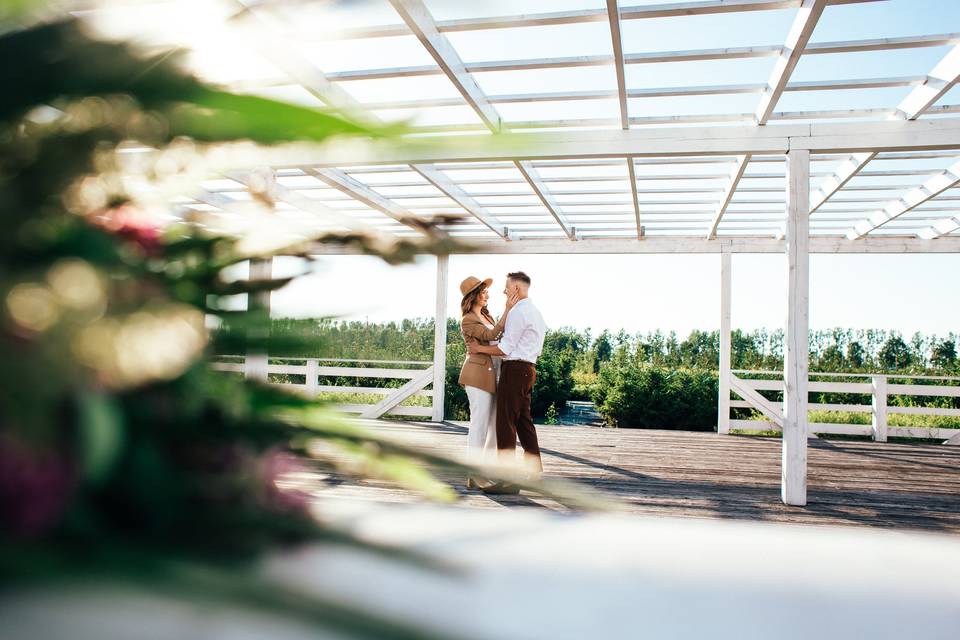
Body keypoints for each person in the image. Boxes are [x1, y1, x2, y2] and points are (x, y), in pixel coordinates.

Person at [467, 271, 546, 495]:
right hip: (528, 368)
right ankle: (534, 472)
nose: (503, 291)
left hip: (515, 370)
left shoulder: (518, 313)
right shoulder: (535, 312)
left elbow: (504, 348)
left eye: (506, 287)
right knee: (523, 422)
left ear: (516, 290)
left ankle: (507, 479)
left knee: (505, 424)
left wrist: (479, 348)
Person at [457, 276, 519, 489]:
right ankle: (474, 474)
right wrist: (508, 308)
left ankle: (486, 471)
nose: (487, 294)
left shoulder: (485, 315)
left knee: (493, 425)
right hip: (477, 376)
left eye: (485, 291)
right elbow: (492, 334)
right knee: (479, 425)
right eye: (482, 291)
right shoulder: (468, 320)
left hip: (492, 375)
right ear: (472, 296)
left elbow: (497, 336)